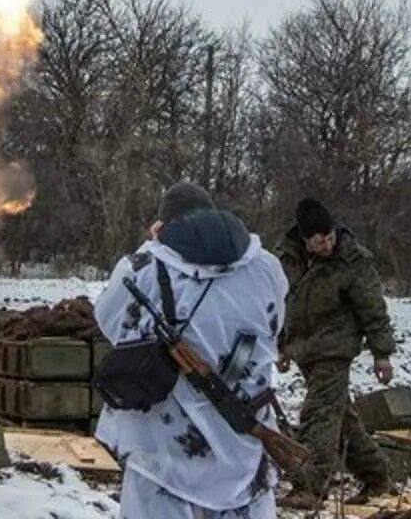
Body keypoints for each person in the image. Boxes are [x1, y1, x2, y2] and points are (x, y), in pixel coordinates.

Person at [95, 182, 288, 519]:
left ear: (165, 224)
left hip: (165, 448)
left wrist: (153, 244)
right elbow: (275, 325)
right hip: (245, 439)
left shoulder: (144, 266)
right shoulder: (267, 267)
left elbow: (111, 323)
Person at [276, 198, 395, 509]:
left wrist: (381, 353)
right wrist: (282, 345)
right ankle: (378, 476)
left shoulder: (352, 259)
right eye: (319, 241)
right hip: (304, 348)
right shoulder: (287, 258)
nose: (327, 245)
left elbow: (372, 308)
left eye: (329, 237)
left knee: (318, 414)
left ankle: (311, 486)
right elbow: (281, 303)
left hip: (335, 348)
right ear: (304, 239)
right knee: (340, 419)